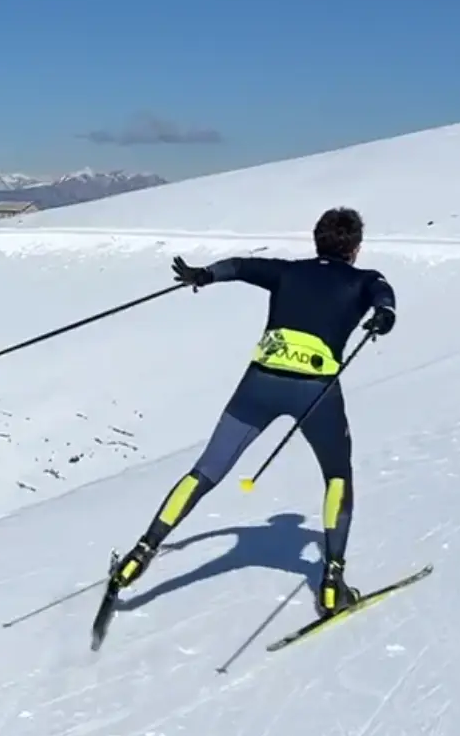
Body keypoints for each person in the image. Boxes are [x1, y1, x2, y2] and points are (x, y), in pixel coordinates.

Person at [109, 206, 396, 616]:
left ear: (316, 240)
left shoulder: (286, 271)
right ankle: (332, 584)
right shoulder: (364, 280)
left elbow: (240, 266)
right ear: (356, 248)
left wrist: (203, 275)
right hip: (316, 392)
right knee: (337, 476)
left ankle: (141, 551)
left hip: (260, 383)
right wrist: (383, 317)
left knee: (205, 471)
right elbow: (384, 296)